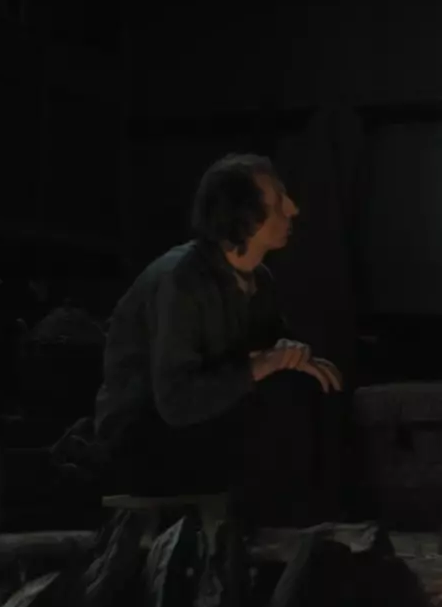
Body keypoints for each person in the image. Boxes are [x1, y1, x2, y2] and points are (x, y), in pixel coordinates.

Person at [90, 153, 355, 527]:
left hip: (207, 428)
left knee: (311, 387)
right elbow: (176, 402)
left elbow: (275, 349)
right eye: (277, 202)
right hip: (147, 442)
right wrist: (260, 366)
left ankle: (322, 523)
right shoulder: (181, 281)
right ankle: (280, 531)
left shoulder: (258, 281)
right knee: (275, 411)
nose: (292, 209)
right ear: (243, 216)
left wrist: (298, 359)